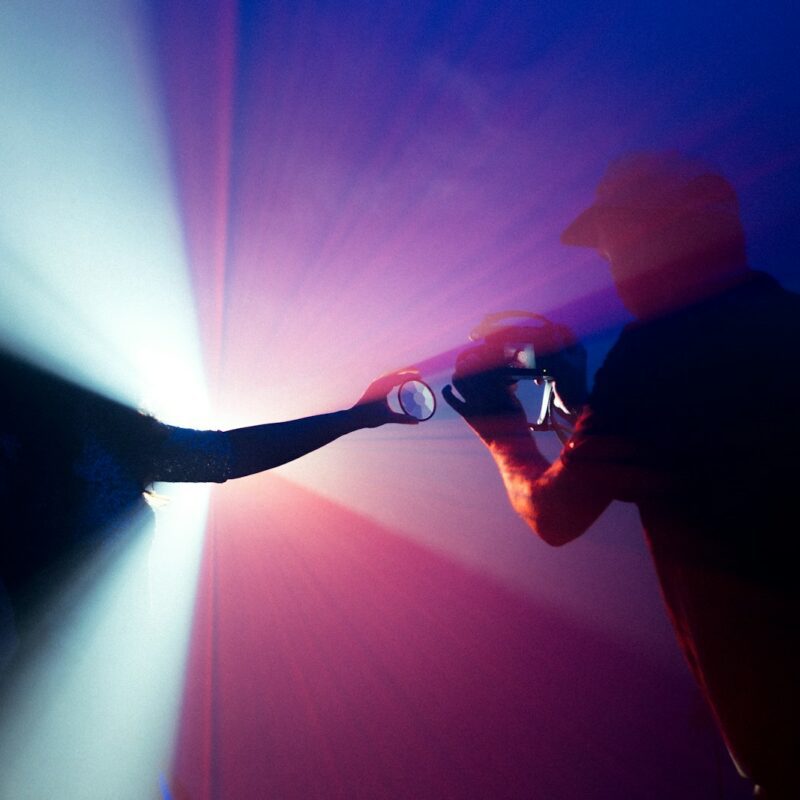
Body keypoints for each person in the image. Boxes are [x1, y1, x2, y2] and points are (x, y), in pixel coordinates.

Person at [443, 151, 799, 799]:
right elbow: (680, 456)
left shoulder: (656, 350)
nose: (616, 267)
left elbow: (556, 515)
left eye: (616, 247)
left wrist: (502, 432)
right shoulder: (783, 320)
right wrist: (584, 403)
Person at [0, 350, 419, 664]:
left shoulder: (115, 436)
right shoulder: (36, 438)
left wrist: (352, 418)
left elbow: (230, 453)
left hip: (96, 695)